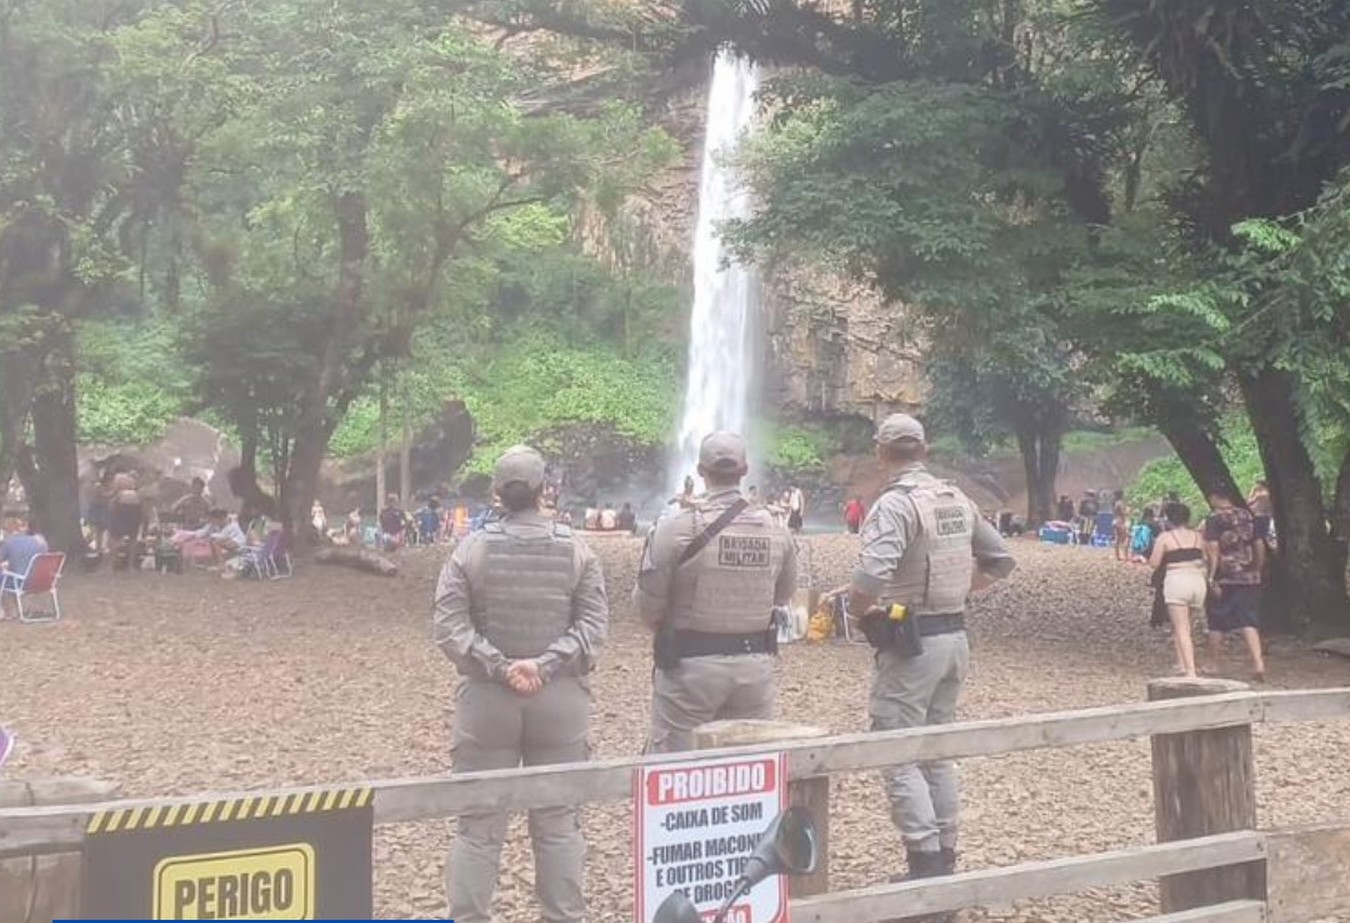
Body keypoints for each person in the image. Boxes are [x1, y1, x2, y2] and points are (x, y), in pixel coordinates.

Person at [433, 445, 608, 923]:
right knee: (557, 822)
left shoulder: (469, 550)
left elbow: (449, 627)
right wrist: (546, 664)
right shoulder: (578, 549)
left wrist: (499, 664)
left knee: (478, 826)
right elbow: (594, 628)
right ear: (543, 490)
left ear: (497, 494)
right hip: (559, 701)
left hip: (488, 700)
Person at [845, 414, 1015, 885]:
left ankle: (923, 866)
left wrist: (861, 612)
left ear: (881, 452)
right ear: (924, 448)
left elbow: (872, 574)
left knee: (897, 750)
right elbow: (1002, 560)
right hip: (955, 637)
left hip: (912, 643)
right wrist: (963, 588)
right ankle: (946, 857)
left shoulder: (895, 505)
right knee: (937, 749)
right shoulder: (955, 497)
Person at [634, 432, 797, 753]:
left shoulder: (675, 528)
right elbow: (783, 595)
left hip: (690, 666)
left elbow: (647, 604)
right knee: (748, 766)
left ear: (700, 470)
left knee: (677, 767)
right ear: (745, 470)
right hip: (754, 665)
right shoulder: (778, 530)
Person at [1203, 489, 1267, 681]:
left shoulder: (1214, 518)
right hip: (1248, 575)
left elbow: (1213, 550)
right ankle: (1258, 663)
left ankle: (1213, 664)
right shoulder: (1248, 516)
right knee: (1248, 620)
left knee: (1217, 621)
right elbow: (1259, 544)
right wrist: (1258, 567)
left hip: (1226, 576)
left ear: (1215, 497)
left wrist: (1211, 577)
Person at [1148, 503, 1207, 676]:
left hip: (1177, 581)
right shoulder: (1198, 536)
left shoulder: (1165, 538)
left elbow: (1154, 563)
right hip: (1197, 581)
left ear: (1168, 518)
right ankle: (1181, 663)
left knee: (1182, 628)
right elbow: (1205, 558)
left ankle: (1190, 671)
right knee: (1184, 626)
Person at [0, 517, 49, 618]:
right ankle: (18, 610)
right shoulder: (39, 541)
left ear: (8, 530)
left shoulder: (9, 542)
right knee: (12, 574)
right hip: (44, 581)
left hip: (22, 582)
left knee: (4, 576)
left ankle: (4, 611)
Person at [1112, 491, 1131, 561]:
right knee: (1126, 537)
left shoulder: (1115, 503)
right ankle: (1125, 556)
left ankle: (1117, 556)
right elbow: (1123, 513)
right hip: (1121, 521)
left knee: (1117, 538)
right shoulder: (1120, 503)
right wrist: (1128, 510)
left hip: (1116, 520)